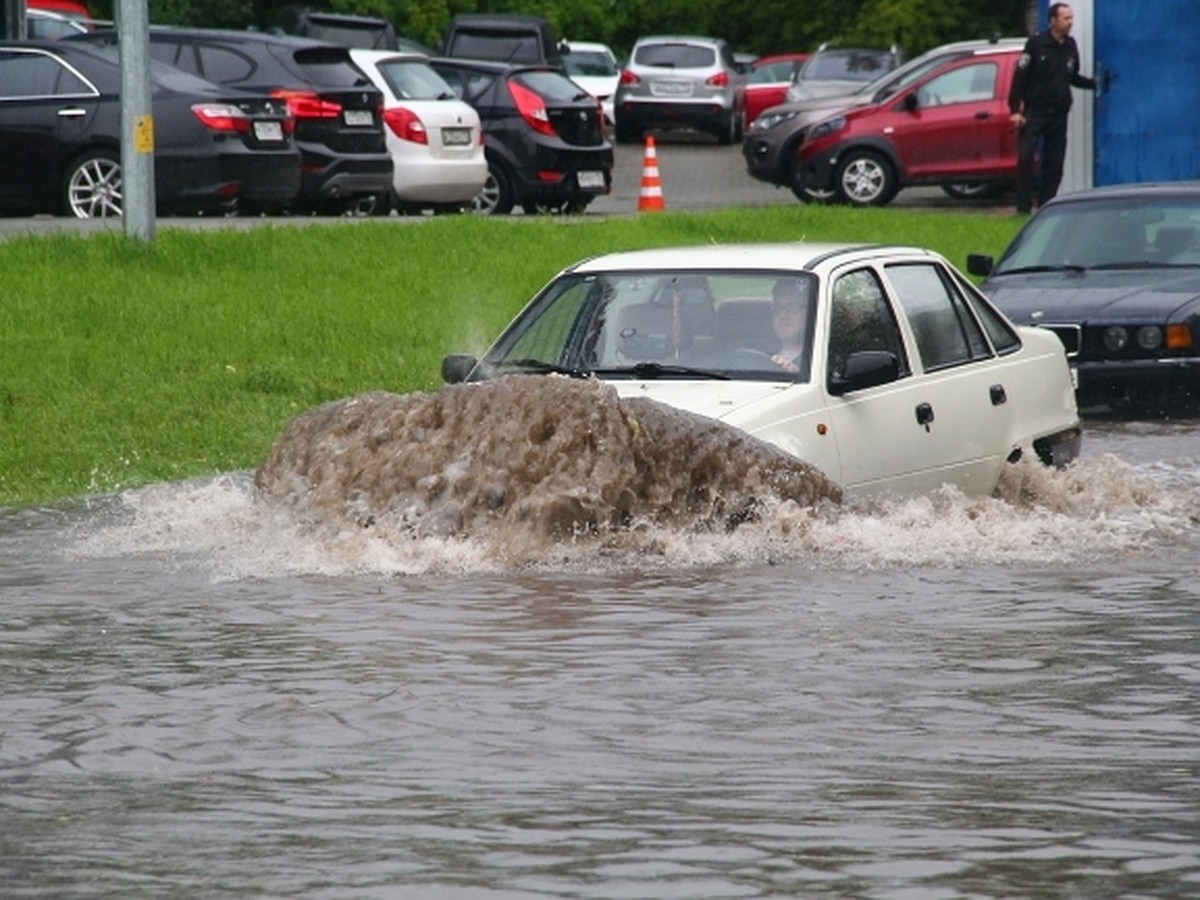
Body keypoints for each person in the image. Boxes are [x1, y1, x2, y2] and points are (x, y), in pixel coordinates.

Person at [1008, 2, 1096, 215]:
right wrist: (1015, 110)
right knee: (1027, 156)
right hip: (1034, 112)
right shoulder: (1036, 44)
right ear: (1053, 21)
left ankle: (1046, 206)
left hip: (1058, 113)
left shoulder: (1070, 45)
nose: (1070, 22)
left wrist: (1095, 84)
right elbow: (1020, 78)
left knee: (1054, 163)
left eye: (1072, 18)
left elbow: (1071, 76)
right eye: (1066, 18)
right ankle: (1022, 207)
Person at [769, 277, 810, 374]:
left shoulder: (818, 359)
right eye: (778, 308)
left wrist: (796, 374)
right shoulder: (756, 353)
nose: (783, 316)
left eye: (792, 307)